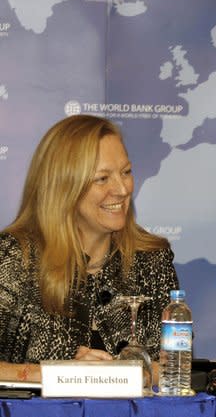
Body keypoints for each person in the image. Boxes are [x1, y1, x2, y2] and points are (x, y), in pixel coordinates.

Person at [0, 115, 179, 382]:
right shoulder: (15, 257)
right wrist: (58, 374)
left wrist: (131, 375)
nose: (121, 189)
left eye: (126, 172)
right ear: (63, 187)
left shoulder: (152, 259)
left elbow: (175, 369)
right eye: (102, 178)